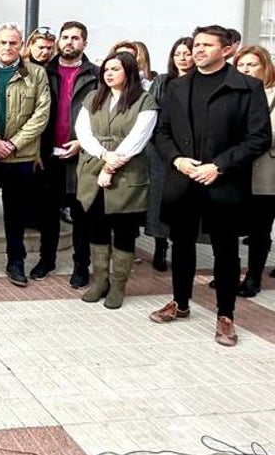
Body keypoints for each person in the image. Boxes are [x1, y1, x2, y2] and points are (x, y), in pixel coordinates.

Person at [151, 25, 271, 347]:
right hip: (183, 179)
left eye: (206, 44)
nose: (198, 50)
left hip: (224, 183)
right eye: (196, 44)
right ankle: (181, 303)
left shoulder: (248, 87)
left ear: (226, 49)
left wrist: (219, 166)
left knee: (226, 250)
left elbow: (259, 137)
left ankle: (226, 315)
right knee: (182, 243)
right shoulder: (177, 86)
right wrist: (177, 160)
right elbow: (161, 132)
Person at [0, 23, 51, 285]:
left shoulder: (36, 74)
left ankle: (16, 261)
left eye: (13, 43)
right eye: (3, 42)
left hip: (20, 155)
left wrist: (14, 143)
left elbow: (41, 114)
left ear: (22, 46)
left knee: (15, 213)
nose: (8, 47)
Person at [75, 52, 158, 309]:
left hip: (127, 171)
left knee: (123, 230)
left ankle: (119, 284)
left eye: (115, 69)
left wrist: (111, 165)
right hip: (93, 167)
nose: (109, 74)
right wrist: (103, 154)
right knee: (96, 226)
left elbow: (138, 138)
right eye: (106, 69)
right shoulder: (94, 98)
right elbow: (83, 130)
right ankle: (100, 280)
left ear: (129, 72)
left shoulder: (144, 101)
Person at [34, 20, 98, 286]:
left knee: (82, 214)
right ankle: (46, 259)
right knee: (47, 212)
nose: (69, 42)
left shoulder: (96, 74)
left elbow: (103, 117)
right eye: (65, 37)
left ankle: (81, 265)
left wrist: (82, 143)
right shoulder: (42, 72)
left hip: (82, 155)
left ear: (85, 42)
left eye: (75, 38)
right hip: (49, 153)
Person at [144, 37, 193, 271]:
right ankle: (160, 246)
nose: (183, 58)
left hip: (192, 152)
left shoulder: (201, 81)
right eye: (178, 54)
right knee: (159, 200)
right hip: (161, 150)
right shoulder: (162, 82)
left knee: (185, 202)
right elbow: (151, 113)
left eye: (187, 53)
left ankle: (181, 245)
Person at [233, 45, 275, 296]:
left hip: (266, 170)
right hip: (237, 169)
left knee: (260, 227)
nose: (246, 69)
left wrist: (253, 137)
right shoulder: (235, 93)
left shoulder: (271, 93)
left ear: (265, 66)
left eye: (252, 64)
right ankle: (229, 270)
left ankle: (253, 276)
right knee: (232, 225)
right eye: (241, 65)